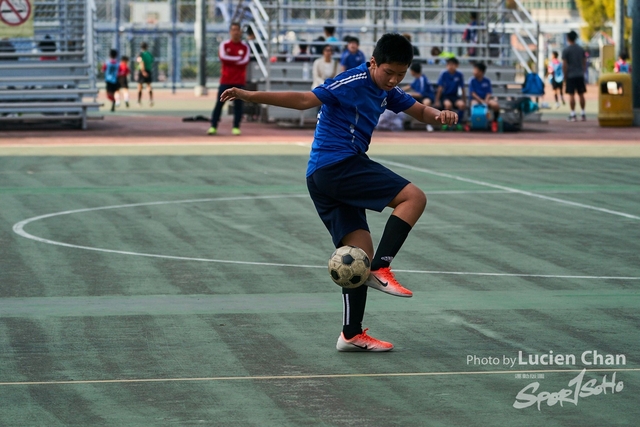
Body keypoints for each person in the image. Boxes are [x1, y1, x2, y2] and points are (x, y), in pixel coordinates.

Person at [218, 33, 458, 351]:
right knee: (414, 198)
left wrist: (440, 115)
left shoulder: (389, 88)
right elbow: (304, 101)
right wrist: (250, 96)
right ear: (373, 62)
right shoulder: (352, 80)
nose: (394, 79)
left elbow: (419, 110)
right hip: (337, 165)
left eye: (401, 74)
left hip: (322, 176)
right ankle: (382, 268)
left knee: (357, 256)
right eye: (389, 72)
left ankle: (351, 334)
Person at [207, 22, 250, 136]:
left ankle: (236, 127)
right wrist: (237, 59)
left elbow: (245, 61)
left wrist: (231, 60)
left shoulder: (245, 47)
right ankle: (213, 126)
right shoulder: (224, 45)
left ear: (240, 32)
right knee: (219, 104)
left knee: (238, 106)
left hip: (239, 81)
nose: (236, 32)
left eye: (238, 30)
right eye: (233, 30)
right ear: (230, 31)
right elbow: (223, 58)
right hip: (225, 80)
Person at [401, 62, 435, 131]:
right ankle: (408, 123)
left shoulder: (423, 79)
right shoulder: (416, 79)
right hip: (419, 98)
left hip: (426, 97)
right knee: (407, 101)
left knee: (427, 102)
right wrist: (398, 90)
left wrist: (409, 93)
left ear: (413, 71)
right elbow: (409, 86)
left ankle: (429, 124)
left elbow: (421, 94)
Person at [562, 30, 587, 122]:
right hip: (579, 74)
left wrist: (565, 76)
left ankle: (573, 114)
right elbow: (584, 62)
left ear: (568, 38)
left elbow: (564, 64)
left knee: (571, 95)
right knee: (581, 94)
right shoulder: (581, 49)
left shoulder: (566, 50)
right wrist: (583, 71)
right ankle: (583, 113)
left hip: (570, 75)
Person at [468, 62, 500, 131]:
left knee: (495, 105)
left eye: (475, 70)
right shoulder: (472, 80)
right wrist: (480, 101)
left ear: (481, 72)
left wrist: (486, 100)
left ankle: (494, 121)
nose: (473, 72)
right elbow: (472, 93)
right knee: (474, 105)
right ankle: (474, 122)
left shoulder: (487, 81)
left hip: (486, 99)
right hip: (476, 99)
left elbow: (489, 92)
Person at [136, 42, 154, 106]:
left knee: (140, 87)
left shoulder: (141, 54)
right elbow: (151, 62)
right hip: (148, 70)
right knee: (149, 86)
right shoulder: (149, 54)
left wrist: (143, 71)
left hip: (142, 71)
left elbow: (141, 62)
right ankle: (151, 100)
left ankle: (139, 101)